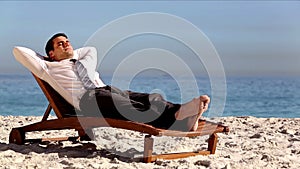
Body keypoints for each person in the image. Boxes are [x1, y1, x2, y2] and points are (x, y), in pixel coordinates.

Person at [44, 33, 210, 131]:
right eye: (61, 44)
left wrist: (71, 55)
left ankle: (179, 113)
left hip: (104, 89)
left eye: (68, 42)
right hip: (88, 100)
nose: (66, 45)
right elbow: (20, 52)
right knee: (131, 109)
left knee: (147, 98)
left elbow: (91, 49)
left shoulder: (82, 62)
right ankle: (178, 117)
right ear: (51, 53)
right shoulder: (50, 67)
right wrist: (53, 58)